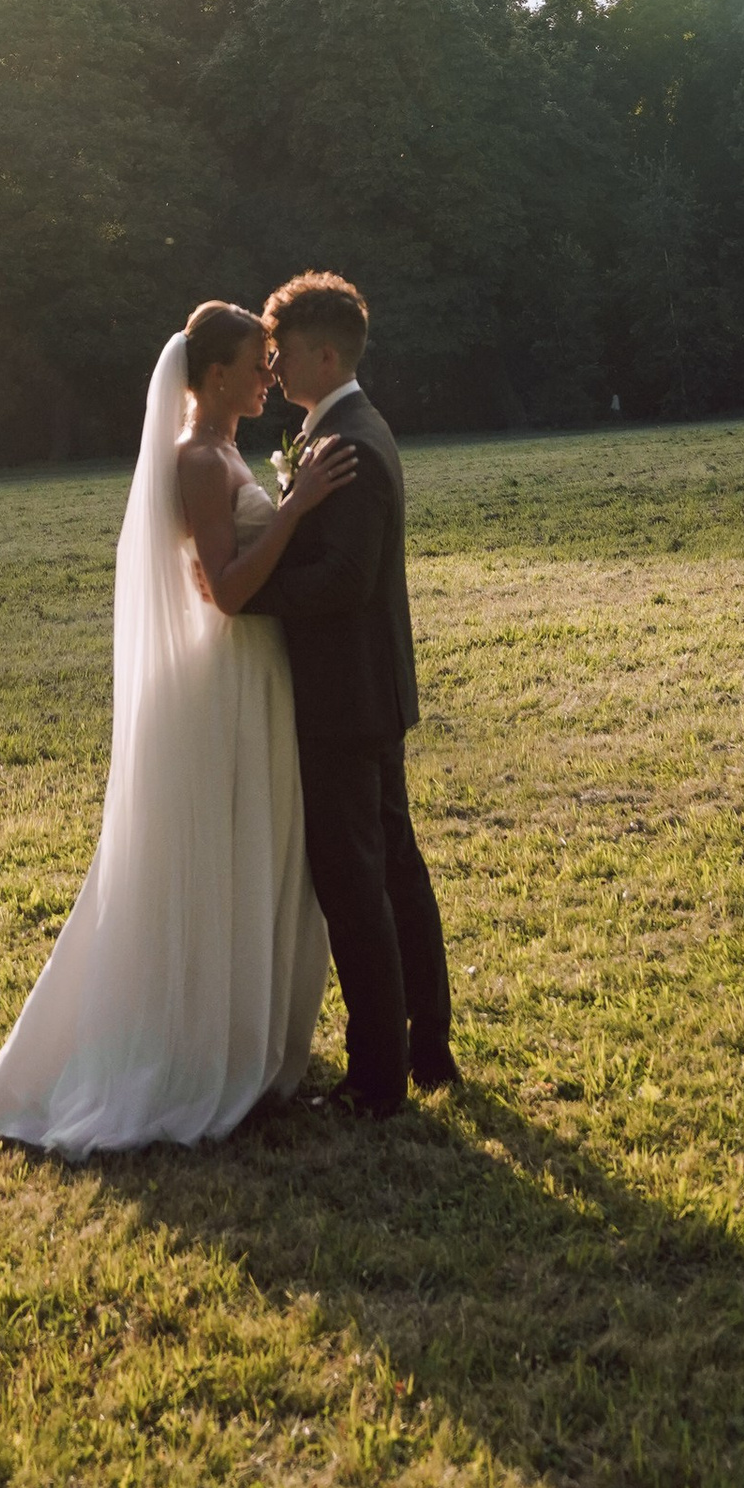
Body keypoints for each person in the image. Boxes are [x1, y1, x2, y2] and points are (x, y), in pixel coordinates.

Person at [0, 302, 355, 1155]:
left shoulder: (224, 450)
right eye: (255, 364)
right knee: (215, 855)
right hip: (227, 678)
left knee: (253, 850)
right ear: (214, 375)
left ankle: (244, 1031)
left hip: (256, 674)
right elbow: (229, 590)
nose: (268, 376)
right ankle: (190, 1048)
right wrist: (294, 510)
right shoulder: (197, 460)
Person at [240, 269, 458, 1114]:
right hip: (369, 689)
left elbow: (344, 579)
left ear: (325, 356)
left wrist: (249, 594)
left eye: (284, 353)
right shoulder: (347, 428)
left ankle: (376, 1076)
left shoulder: (351, 444)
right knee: (394, 867)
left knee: (357, 883)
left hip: (345, 697)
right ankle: (426, 1046)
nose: (274, 366)